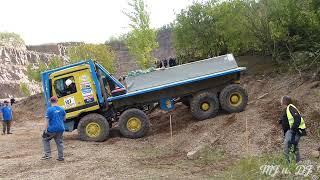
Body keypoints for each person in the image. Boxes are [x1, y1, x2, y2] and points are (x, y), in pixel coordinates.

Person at [279, 95, 306, 163]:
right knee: (294, 145)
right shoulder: (287, 108)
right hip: (291, 130)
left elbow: (297, 118)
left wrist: (293, 129)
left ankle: (286, 162)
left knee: (286, 145)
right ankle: (298, 161)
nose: (280, 101)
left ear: (284, 101)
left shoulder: (291, 107)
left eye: (281, 100)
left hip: (294, 131)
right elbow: (288, 119)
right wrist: (281, 121)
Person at [42, 96, 66, 161]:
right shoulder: (62, 109)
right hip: (61, 128)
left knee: (45, 139)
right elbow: (64, 119)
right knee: (59, 142)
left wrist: (45, 130)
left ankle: (47, 155)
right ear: (57, 101)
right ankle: (61, 157)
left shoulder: (49, 110)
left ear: (50, 101)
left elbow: (47, 121)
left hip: (52, 129)